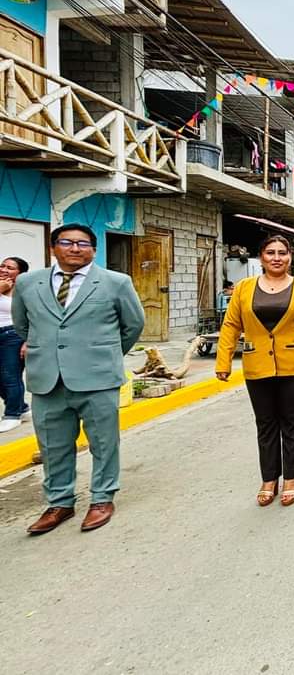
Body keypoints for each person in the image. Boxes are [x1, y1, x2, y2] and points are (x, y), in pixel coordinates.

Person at [13, 224, 145, 534]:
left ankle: (102, 498)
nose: (75, 248)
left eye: (83, 244)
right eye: (67, 242)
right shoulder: (28, 283)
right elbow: (22, 325)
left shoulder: (116, 283)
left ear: (94, 250)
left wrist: (106, 354)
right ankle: (59, 502)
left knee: (104, 443)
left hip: (98, 378)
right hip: (47, 379)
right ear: (53, 248)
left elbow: (133, 325)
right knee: (52, 445)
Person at [216, 235, 294, 507]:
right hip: (257, 365)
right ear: (261, 257)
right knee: (265, 424)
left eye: (282, 253)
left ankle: (291, 478)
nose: (277, 258)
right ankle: (268, 479)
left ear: (290, 257)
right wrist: (223, 361)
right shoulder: (244, 288)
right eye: (270, 252)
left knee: (292, 422)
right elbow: (231, 325)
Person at [0, 256, 30, 434]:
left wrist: (28, 340)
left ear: (20, 273)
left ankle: (12, 415)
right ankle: (22, 408)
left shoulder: (24, 290)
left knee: (10, 376)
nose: (4, 269)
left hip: (13, 335)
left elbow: (34, 316)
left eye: (10, 268)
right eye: (2, 266)